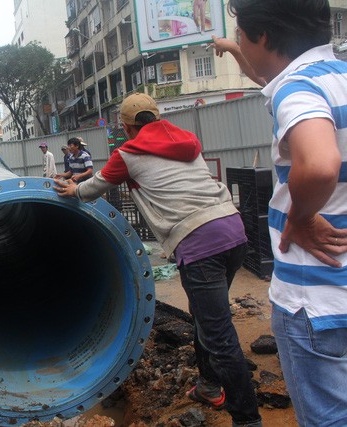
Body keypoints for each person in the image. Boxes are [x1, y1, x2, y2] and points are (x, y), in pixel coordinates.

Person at [54, 93, 262, 427]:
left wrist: (72, 191)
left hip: (199, 242)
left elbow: (95, 188)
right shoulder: (187, 141)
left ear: (125, 125)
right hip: (232, 229)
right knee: (206, 317)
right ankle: (209, 386)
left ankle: (247, 419)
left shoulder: (128, 153)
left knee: (219, 335)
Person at [222, 1, 347, 425]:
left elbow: (319, 163)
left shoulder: (298, 90)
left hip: (315, 299)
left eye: (241, 34)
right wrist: (234, 48)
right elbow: (264, 74)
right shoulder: (339, 79)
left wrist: (301, 217)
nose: (240, 41)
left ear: (266, 37)